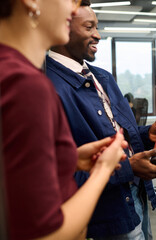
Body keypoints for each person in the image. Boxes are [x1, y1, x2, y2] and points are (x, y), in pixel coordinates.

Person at [45, 1, 156, 239]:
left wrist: (145, 134)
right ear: (63, 29)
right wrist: (127, 169)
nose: (98, 35)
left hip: (134, 196)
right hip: (104, 216)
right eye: (89, 27)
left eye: (97, 27)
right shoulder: (47, 86)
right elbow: (58, 174)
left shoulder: (102, 77)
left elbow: (115, 133)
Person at [0, 0, 128, 239]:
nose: (73, 9)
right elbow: (47, 234)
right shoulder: (24, 84)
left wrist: (70, 160)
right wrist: (103, 169)